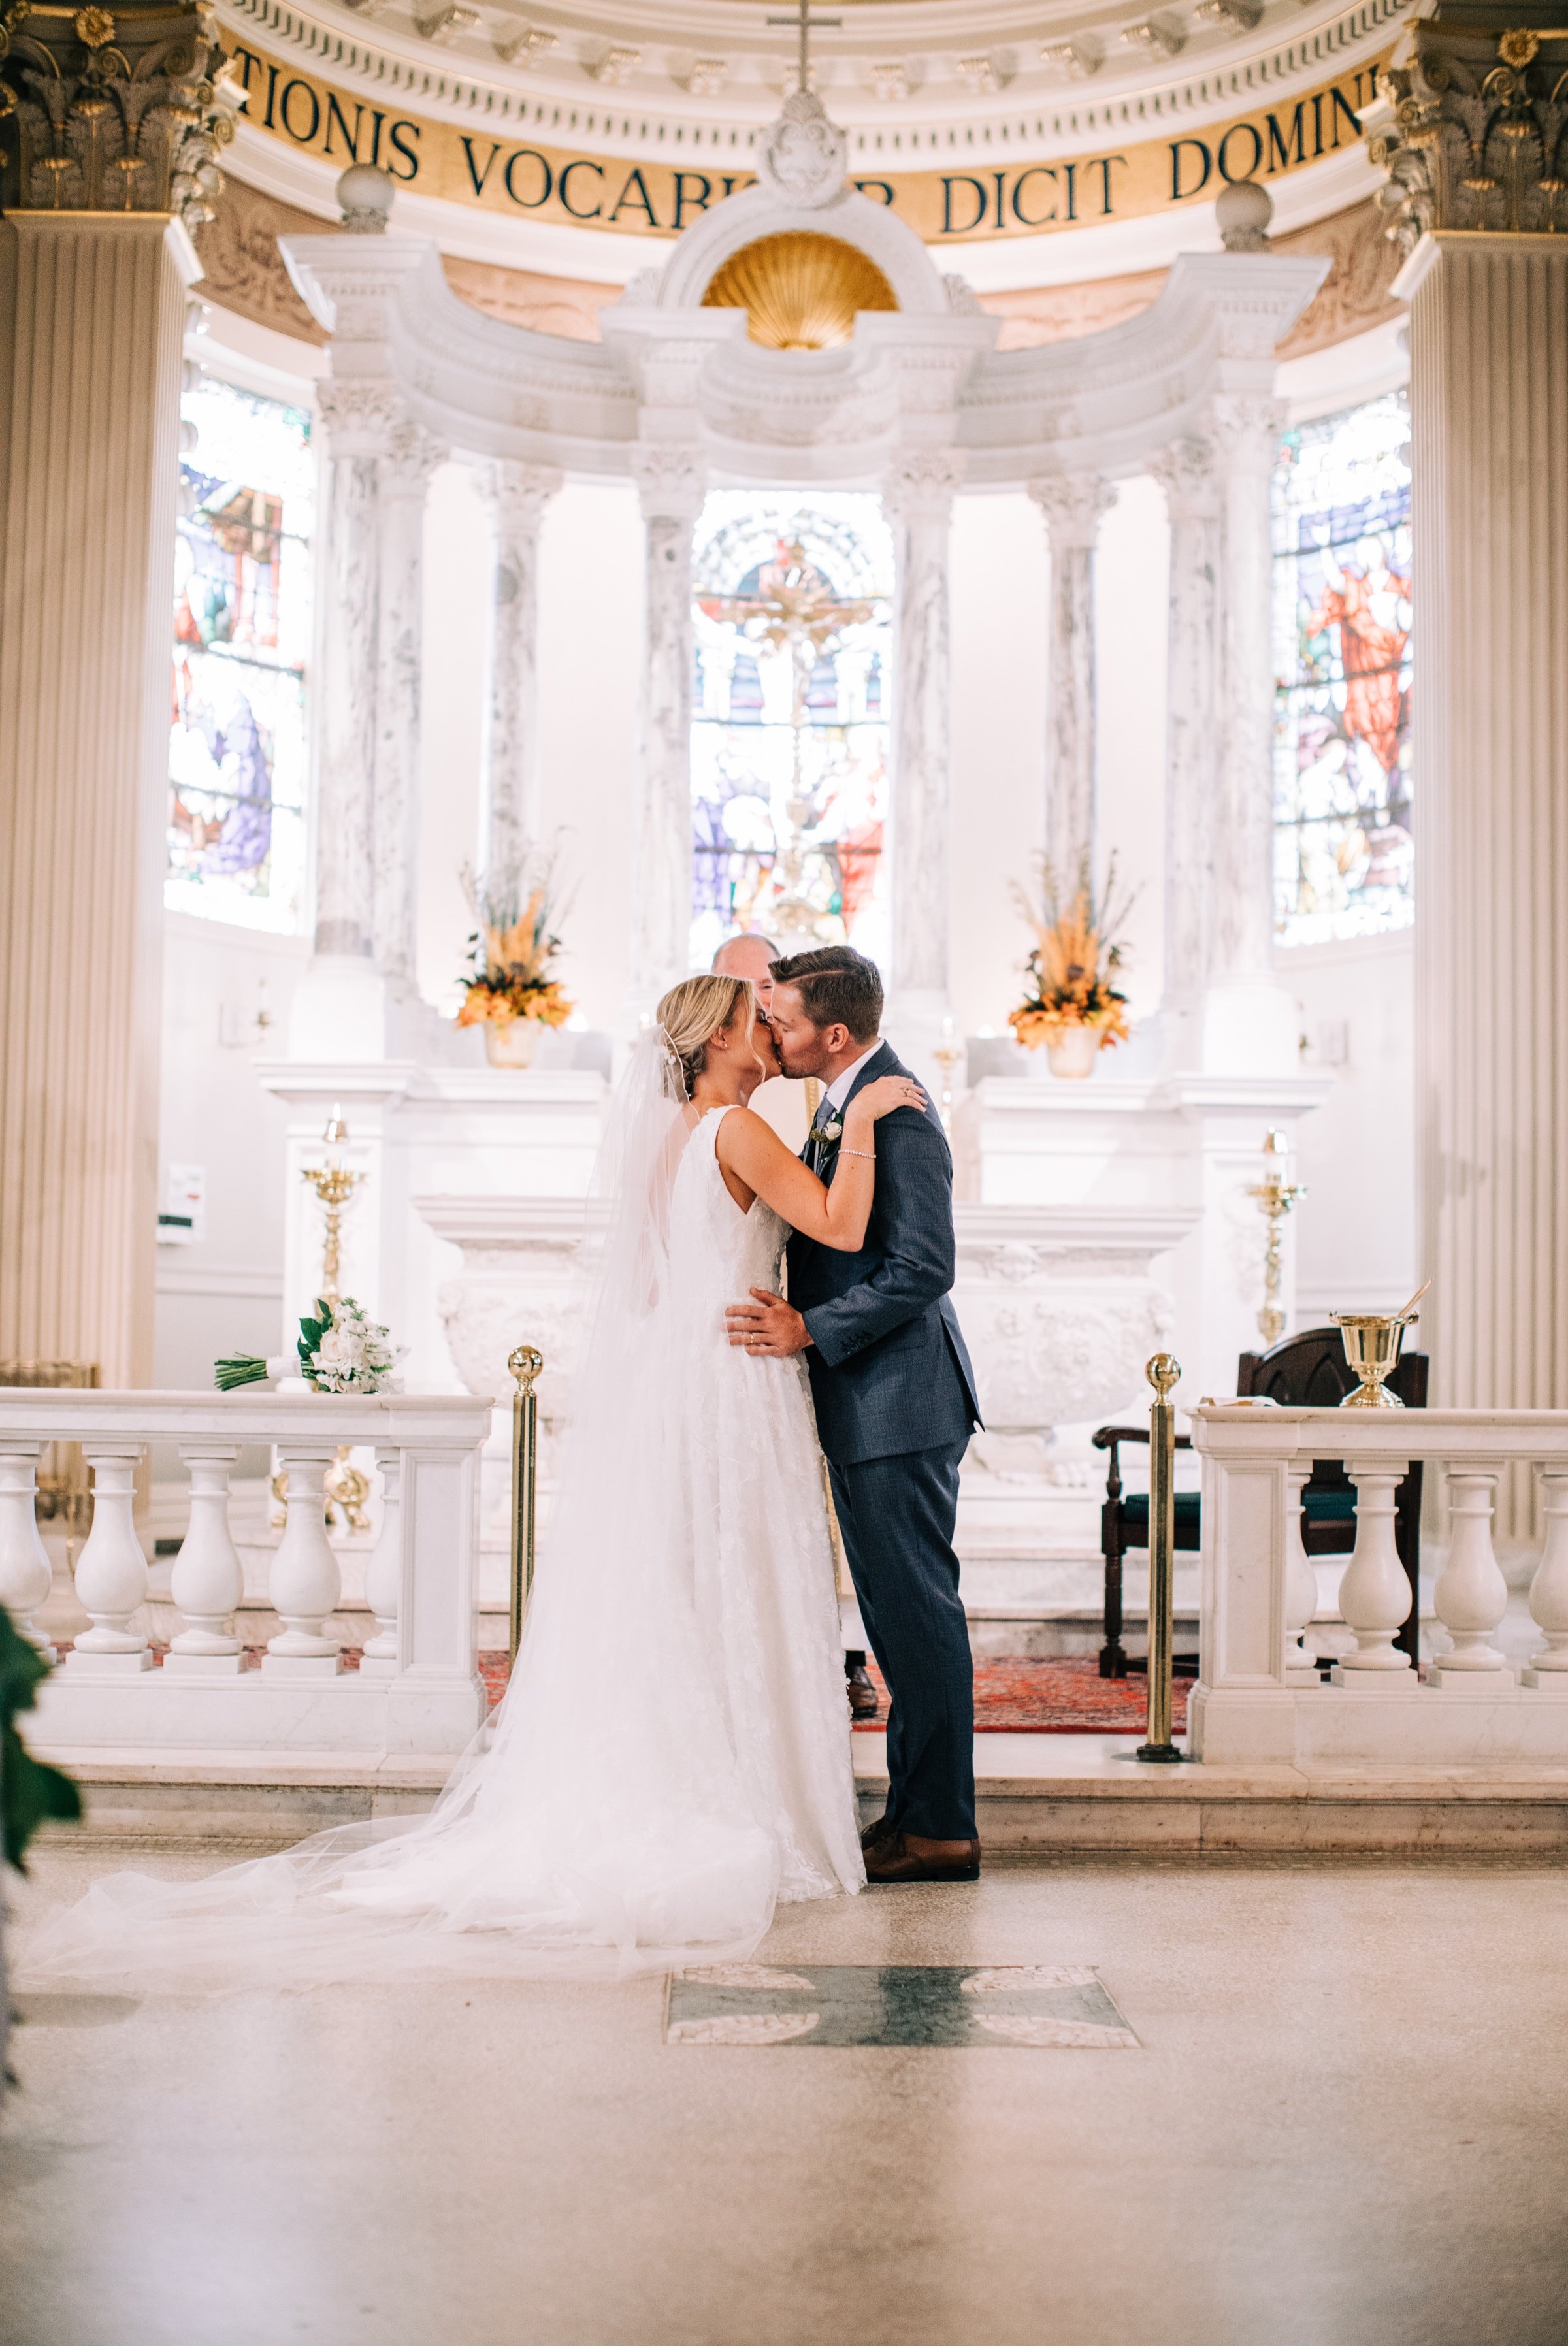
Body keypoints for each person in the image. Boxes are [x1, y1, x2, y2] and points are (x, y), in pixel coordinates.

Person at [21, 977, 927, 1990]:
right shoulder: (736, 1128)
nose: (771, 1029)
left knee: (684, 1589)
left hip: (685, 1381)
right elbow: (844, 1230)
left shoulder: (668, 1139)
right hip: (731, 1384)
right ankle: (747, 1795)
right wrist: (872, 1117)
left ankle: (692, 1773)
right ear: (721, 1036)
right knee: (734, 1581)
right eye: (756, 1018)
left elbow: (650, 1287)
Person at [725, 947, 983, 1885]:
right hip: (872, 1400)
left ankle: (943, 1829)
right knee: (897, 1621)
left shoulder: (899, 1110)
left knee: (917, 1619)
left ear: (832, 1034)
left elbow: (923, 1267)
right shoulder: (848, 1101)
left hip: (899, 1401)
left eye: (784, 1022)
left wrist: (809, 1327)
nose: (775, 1035)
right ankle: (914, 1814)